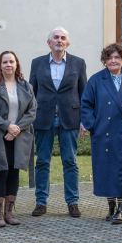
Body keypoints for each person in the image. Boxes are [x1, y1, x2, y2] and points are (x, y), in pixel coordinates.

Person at [81, 44, 122, 224]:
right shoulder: (96, 80)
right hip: (103, 134)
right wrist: (93, 126)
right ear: (105, 60)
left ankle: (121, 209)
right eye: (109, 58)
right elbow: (86, 105)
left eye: (117, 58)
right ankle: (111, 206)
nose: (113, 61)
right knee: (106, 170)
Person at [28, 28, 87, 217]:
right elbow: (31, 93)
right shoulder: (37, 63)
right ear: (49, 43)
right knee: (42, 161)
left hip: (69, 118)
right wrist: (29, 118)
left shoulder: (78, 63)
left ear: (67, 43)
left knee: (70, 161)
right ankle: (41, 202)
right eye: (56, 38)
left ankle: (72, 202)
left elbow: (83, 93)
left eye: (63, 38)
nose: (59, 41)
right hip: (43, 118)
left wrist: (84, 120)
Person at [0, 51, 37, 228]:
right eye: (5, 62)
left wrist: (16, 129)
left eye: (11, 61)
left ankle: (9, 212)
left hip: (19, 136)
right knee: (1, 171)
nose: (8, 65)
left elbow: (32, 111)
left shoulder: (26, 86)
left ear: (16, 64)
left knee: (14, 172)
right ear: (0, 65)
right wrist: (7, 126)